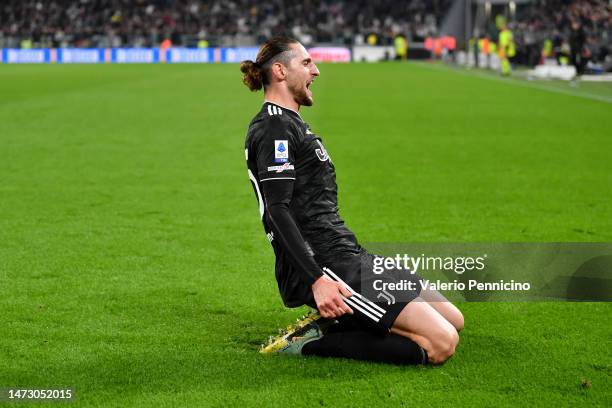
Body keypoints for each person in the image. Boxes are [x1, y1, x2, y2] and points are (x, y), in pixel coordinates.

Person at [241, 36, 464, 366]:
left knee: (453, 318)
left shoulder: (291, 123)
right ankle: (311, 340)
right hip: (327, 263)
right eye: (306, 63)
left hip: (348, 252)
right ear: (279, 71)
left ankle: (345, 318)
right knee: (441, 343)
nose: (315, 70)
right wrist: (317, 280)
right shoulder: (275, 127)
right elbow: (277, 210)